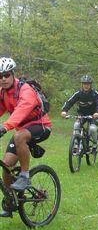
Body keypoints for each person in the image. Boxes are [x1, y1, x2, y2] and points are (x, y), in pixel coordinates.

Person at [0, 57, 52, 216]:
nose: (3, 79)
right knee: (6, 166)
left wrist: (5, 126)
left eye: (6, 74)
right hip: (21, 131)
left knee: (19, 136)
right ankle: (11, 203)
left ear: (12, 74)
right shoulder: (2, 93)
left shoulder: (25, 89)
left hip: (41, 126)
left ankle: (25, 175)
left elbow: (22, 110)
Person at [61, 75, 98, 152]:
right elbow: (69, 102)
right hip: (81, 114)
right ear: (82, 84)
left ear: (90, 85)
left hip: (93, 115)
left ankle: (95, 145)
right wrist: (64, 111)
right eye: (84, 84)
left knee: (92, 129)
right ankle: (76, 145)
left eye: (88, 84)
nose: (86, 86)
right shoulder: (78, 94)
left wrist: (97, 112)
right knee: (76, 125)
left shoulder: (95, 94)